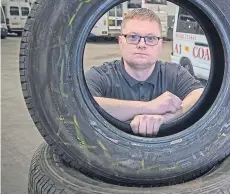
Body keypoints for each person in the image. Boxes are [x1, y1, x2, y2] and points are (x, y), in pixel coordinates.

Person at [85, 8, 204, 137]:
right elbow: (82, 104)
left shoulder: (174, 73)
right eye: (133, 37)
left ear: (160, 44)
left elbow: (199, 95)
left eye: (151, 38)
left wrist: (167, 118)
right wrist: (150, 107)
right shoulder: (101, 75)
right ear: (120, 42)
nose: (142, 44)